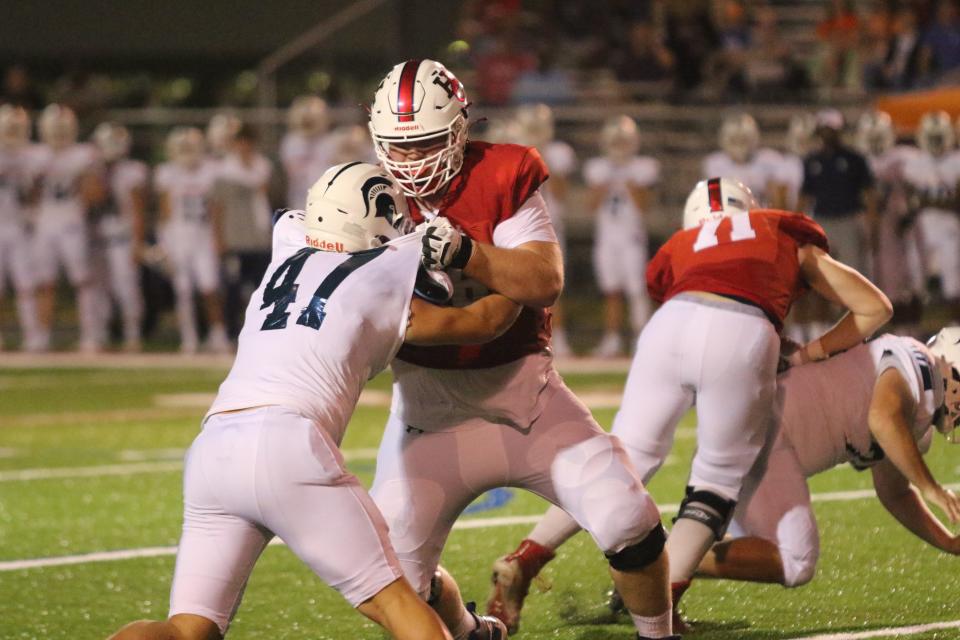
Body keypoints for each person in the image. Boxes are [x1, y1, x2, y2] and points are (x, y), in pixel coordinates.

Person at [108, 162, 522, 640]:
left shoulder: (286, 255)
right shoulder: (385, 271)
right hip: (286, 443)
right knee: (395, 602)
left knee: (186, 630)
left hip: (213, 447)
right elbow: (482, 323)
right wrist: (521, 277)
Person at [486, 177, 892, 633]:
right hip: (741, 332)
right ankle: (662, 607)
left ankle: (526, 557)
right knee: (716, 480)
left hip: (668, 327)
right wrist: (807, 353)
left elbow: (697, 305)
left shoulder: (680, 246)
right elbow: (875, 308)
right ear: (750, 210)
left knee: (625, 458)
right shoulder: (779, 229)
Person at [368, 59, 677, 640]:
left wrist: (469, 255)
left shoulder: (501, 171)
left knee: (627, 516)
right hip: (424, 418)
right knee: (393, 586)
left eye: (426, 144)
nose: (410, 162)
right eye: (397, 148)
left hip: (526, 403)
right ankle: (470, 632)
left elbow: (542, 281)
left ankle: (659, 633)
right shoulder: (364, 198)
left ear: (459, 131)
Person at [695, 329, 960, 595]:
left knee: (728, 538)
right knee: (795, 559)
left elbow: (896, 494)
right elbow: (883, 418)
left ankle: (664, 577)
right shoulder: (919, 365)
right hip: (766, 431)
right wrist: (931, 487)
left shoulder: (915, 421)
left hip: (756, 430)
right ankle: (670, 559)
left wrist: (947, 542)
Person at [31, 103, 104, 352]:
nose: (59, 134)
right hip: (45, 222)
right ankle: (39, 335)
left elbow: (95, 193)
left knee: (82, 281)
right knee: (44, 282)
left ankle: (90, 334)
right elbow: (28, 193)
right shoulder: (35, 155)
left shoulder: (84, 154)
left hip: (72, 222)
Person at [586, 115, 658, 358]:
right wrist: (603, 186)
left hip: (632, 237)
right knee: (611, 291)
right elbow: (591, 206)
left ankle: (643, 337)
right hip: (607, 238)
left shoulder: (642, 167)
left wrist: (629, 184)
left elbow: (645, 205)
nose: (618, 147)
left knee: (637, 289)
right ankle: (612, 340)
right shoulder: (598, 168)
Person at [154, 127, 230, 354]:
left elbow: (217, 207)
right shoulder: (167, 173)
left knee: (210, 287)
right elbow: (165, 211)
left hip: (203, 235)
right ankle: (189, 338)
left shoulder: (210, 170)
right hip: (178, 236)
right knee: (183, 290)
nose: (188, 153)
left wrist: (218, 237)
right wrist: (164, 242)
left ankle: (218, 334)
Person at [514, 103, 576, 356]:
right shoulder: (515, 151)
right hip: (520, 226)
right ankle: (521, 338)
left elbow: (561, 193)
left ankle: (557, 338)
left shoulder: (558, 153)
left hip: (550, 224)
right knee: (517, 285)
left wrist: (544, 160)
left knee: (552, 285)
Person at [89, 122, 147, 351]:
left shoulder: (133, 171)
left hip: (122, 237)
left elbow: (138, 210)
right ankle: (99, 333)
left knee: (126, 288)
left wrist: (138, 242)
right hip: (96, 237)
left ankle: (132, 333)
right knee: (98, 290)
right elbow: (90, 199)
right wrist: (100, 173)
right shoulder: (93, 170)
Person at [902, 110, 960, 313]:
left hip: (949, 229)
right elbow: (909, 201)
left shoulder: (956, 161)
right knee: (917, 281)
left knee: (953, 284)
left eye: (939, 137)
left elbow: (956, 203)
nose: (936, 141)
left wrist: (926, 201)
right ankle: (918, 335)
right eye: (932, 137)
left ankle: (955, 331)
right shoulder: (914, 162)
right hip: (922, 228)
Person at [703, 112, 785, 207]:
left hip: (760, 217)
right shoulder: (715, 164)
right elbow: (713, 203)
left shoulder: (769, 160)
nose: (739, 145)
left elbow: (778, 204)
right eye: (734, 140)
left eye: (743, 139)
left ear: (754, 138)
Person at [279, 96, 336, 210]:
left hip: (327, 200)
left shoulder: (330, 142)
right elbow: (292, 171)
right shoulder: (291, 141)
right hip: (299, 199)